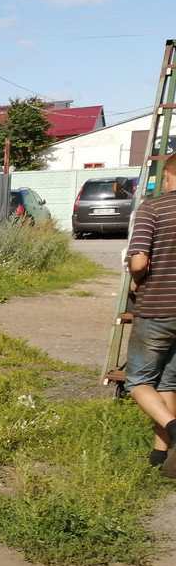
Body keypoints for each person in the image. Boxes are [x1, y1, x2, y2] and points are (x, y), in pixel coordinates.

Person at [125, 151, 176, 474]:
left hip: (158, 308)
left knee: (139, 381)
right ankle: (163, 458)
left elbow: (140, 260)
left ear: (168, 176)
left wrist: (135, 280)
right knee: (169, 382)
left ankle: (173, 428)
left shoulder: (154, 207)